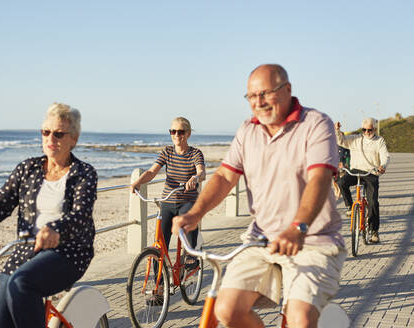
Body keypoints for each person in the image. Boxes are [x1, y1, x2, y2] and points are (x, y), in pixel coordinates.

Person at [172, 64, 346, 328]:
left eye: (265, 94)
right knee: (226, 310)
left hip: (312, 241)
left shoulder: (315, 124)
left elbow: (320, 180)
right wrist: (195, 213)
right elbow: (224, 177)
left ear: (287, 90)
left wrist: (298, 226)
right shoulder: (247, 131)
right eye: (251, 96)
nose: (258, 102)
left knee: (299, 318)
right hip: (260, 241)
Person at [0, 103, 98, 328]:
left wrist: (56, 229)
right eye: (46, 132)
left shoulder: (84, 173)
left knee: (22, 283)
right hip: (25, 251)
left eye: (59, 133)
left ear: (74, 139)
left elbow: (81, 214)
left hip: (69, 253)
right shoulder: (27, 169)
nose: (51, 138)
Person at [130, 117, 206, 269]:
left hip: (187, 201)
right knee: (160, 243)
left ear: (188, 134)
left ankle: (190, 254)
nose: (176, 135)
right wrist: (137, 183)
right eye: (173, 131)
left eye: (180, 131)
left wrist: (195, 178)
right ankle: (159, 286)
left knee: (187, 219)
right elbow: (152, 171)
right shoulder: (167, 151)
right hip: (168, 201)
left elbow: (202, 172)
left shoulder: (195, 153)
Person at [335, 118, 389, 243]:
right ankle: (349, 207)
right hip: (355, 170)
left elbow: (385, 155)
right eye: (364, 130)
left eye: (369, 130)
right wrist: (337, 130)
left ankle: (374, 231)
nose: (366, 132)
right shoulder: (356, 139)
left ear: (374, 129)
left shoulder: (379, 141)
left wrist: (382, 166)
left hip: (371, 172)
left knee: (373, 202)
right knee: (342, 183)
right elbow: (341, 141)